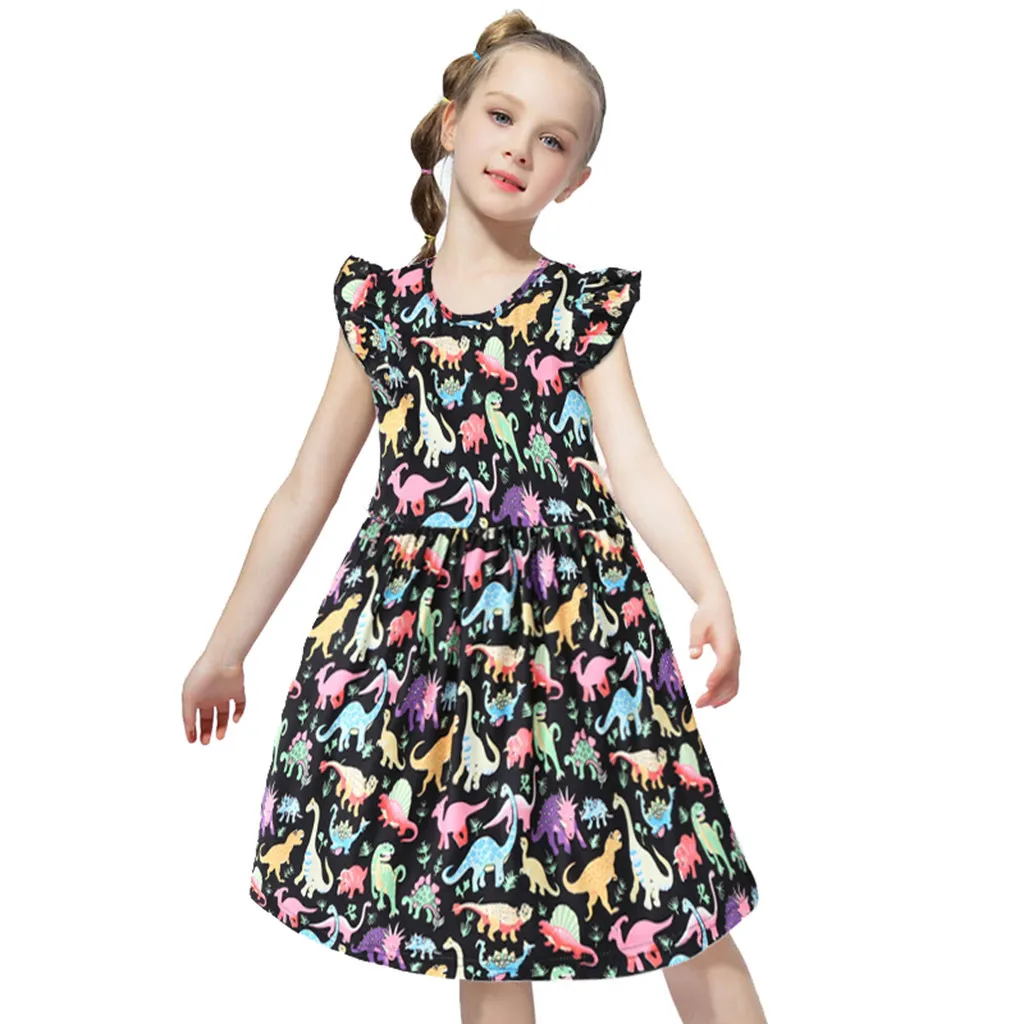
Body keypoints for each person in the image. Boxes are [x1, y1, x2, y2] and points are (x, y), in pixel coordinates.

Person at [182, 9, 767, 1024]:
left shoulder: (578, 311)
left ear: (574, 181)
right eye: (502, 117)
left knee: (684, 890)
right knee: (484, 926)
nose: (519, 149)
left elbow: (636, 466)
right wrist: (225, 648)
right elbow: (306, 487)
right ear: (450, 122)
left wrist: (709, 587)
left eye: (553, 140)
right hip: (429, 654)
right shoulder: (381, 312)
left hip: (586, 641)